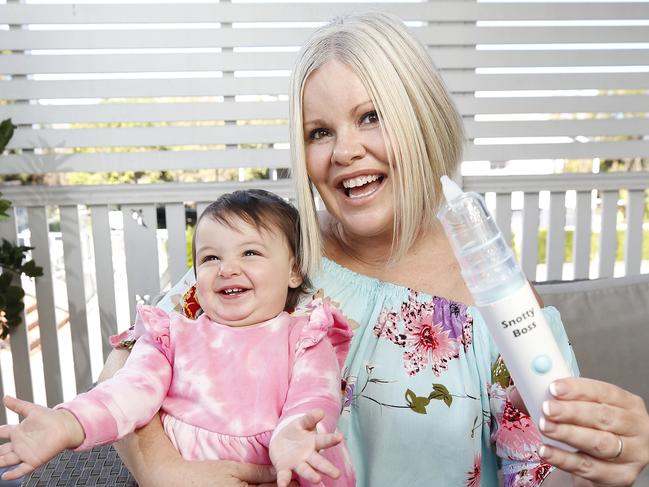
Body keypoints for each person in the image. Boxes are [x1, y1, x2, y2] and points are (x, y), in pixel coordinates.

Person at [30, 11, 649, 487]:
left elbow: (542, 466)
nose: (344, 151)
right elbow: (131, 363)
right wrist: (163, 469)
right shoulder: (271, 257)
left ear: (423, 120)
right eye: (319, 132)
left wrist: (613, 453)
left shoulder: (499, 307)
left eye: (372, 116)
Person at [0, 189, 356, 487]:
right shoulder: (172, 337)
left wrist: (292, 435)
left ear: (294, 270)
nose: (226, 268)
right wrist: (66, 423)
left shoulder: (306, 338)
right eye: (210, 257)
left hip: (285, 466)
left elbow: (314, 400)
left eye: (250, 252)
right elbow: (125, 393)